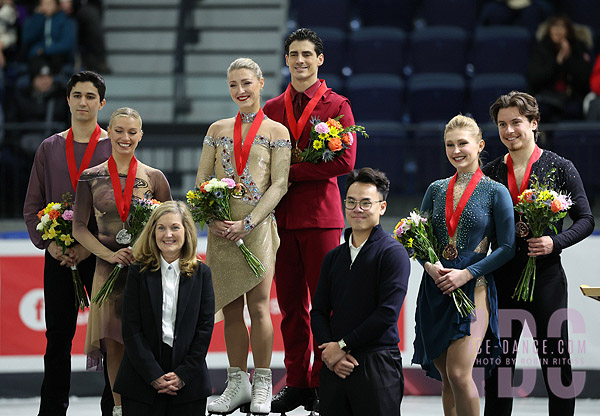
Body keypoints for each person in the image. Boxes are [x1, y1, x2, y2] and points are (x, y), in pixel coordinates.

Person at [263, 27, 357, 413]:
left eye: (308, 54)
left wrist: (290, 172)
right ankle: (298, 383)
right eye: (293, 54)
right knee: (290, 308)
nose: (300, 61)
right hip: (280, 220)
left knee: (325, 306)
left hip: (321, 217)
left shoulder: (337, 106)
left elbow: (345, 162)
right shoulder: (269, 110)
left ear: (320, 59)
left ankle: (324, 382)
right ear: (285, 60)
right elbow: (262, 165)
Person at [482, 91, 595, 416]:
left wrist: (554, 242)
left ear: (534, 123)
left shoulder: (559, 166)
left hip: (545, 279)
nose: (509, 131)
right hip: (501, 282)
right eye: (502, 124)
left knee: (557, 368)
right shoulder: (490, 172)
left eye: (516, 122)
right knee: (499, 371)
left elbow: (585, 219)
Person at [196, 57, 291, 415]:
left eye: (246, 83)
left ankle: (263, 383)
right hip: (221, 231)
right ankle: (237, 384)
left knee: (260, 307)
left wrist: (249, 222)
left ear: (261, 83)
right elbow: (201, 182)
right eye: (233, 84)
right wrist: (214, 218)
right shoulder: (217, 129)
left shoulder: (276, 131)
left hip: (258, 229)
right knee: (230, 308)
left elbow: (279, 183)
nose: (240, 90)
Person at [23, 70, 114, 416]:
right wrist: (51, 246)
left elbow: (124, 208)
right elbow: (32, 206)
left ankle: (113, 407)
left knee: (109, 338)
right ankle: (52, 410)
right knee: (57, 339)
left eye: (91, 96)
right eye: (77, 95)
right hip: (59, 255)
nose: (83, 102)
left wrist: (88, 245)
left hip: (102, 255)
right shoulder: (50, 148)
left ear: (101, 103)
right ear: (67, 100)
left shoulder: (113, 145)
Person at [413, 115, 515, 416]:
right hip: (436, 290)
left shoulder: (496, 191)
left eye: (463, 144)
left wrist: (468, 272)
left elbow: (508, 247)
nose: (456, 150)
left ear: (480, 145)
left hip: (474, 289)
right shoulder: (435, 188)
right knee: (446, 378)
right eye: (449, 145)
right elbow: (417, 239)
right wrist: (430, 267)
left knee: (459, 373)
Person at [73, 107, 172, 416]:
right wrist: (109, 254)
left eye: (132, 132)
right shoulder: (90, 176)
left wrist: (146, 252)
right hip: (107, 269)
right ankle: (118, 409)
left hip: (146, 270)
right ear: (109, 132)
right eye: (119, 131)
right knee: (114, 342)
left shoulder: (154, 177)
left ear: (140, 135)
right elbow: (78, 227)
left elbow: (170, 224)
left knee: (148, 341)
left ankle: (149, 405)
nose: (125, 137)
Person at [310, 167, 409, 416]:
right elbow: (319, 311)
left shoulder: (392, 253)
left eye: (366, 203)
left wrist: (342, 345)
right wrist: (330, 352)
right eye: (351, 202)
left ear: (382, 207)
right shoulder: (333, 257)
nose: (357, 209)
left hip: (377, 363)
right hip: (335, 366)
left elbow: (386, 314)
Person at [113, 201, 215, 416]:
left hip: (188, 383)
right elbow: (131, 329)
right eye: (161, 228)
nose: (168, 234)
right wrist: (153, 374)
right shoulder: (137, 272)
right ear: (153, 232)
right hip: (141, 380)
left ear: (186, 231)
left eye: (175, 227)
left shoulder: (202, 274)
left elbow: (204, 330)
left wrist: (183, 375)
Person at [526, 15, 592, 121]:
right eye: (554, 27)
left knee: (575, 110)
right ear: (549, 30)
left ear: (568, 31)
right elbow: (535, 78)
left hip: (572, 97)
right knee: (543, 110)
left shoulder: (578, 48)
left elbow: (583, 79)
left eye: (562, 27)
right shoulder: (541, 49)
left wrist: (569, 58)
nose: (558, 31)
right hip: (546, 96)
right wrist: (557, 62)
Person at [21, 0, 76, 75]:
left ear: (57, 5)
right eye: (43, 4)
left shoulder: (65, 21)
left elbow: (66, 43)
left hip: (58, 55)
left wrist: (45, 50)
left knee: (55, 61)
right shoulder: (35, 19)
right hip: (40, 56)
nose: (46, 7)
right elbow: (27, 39)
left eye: (49, 4)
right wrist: (39, 17)